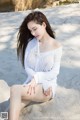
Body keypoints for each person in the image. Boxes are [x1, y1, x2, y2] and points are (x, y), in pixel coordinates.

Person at [9, 11, 62, 120]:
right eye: (30, 30)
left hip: (46, 87)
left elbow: (54, 72)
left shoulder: (56, 45)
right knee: (8, 111)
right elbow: (27, 66)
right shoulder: (30, 43)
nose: (33, 33)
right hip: (30, 85)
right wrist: (33, 79)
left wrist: (37, 79)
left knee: (15, 89)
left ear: (43, 25)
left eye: (35, 29)